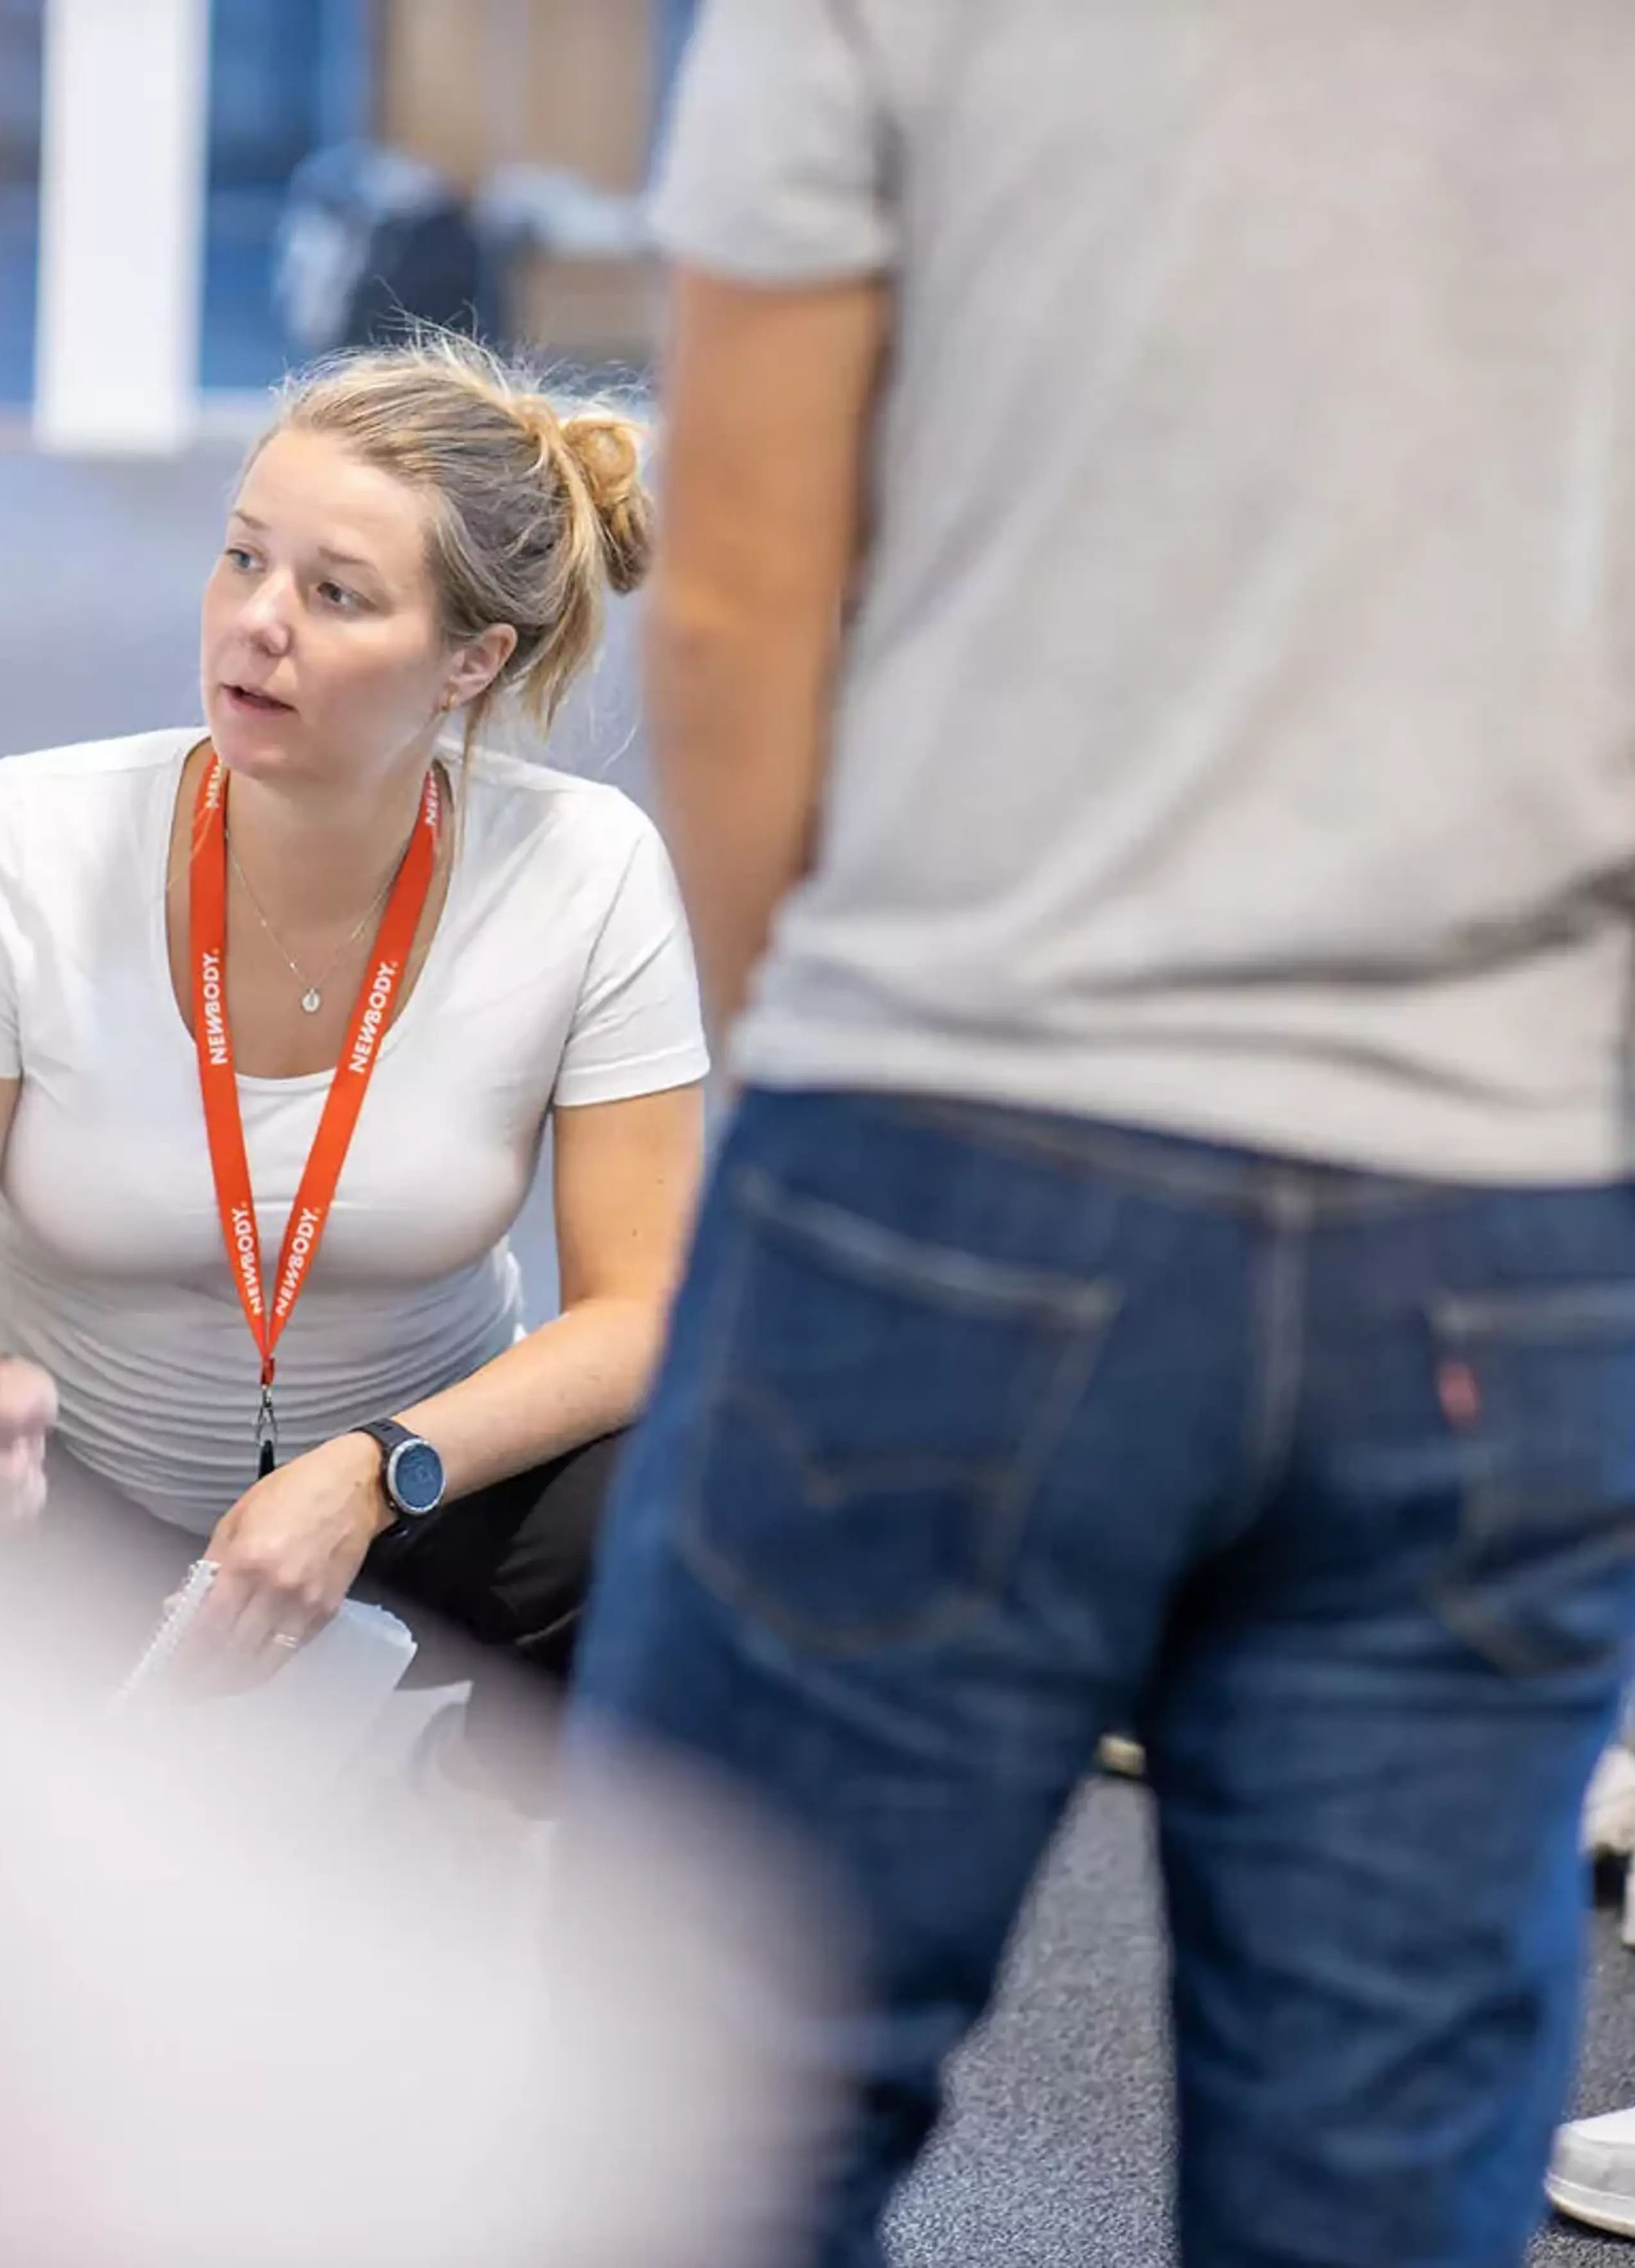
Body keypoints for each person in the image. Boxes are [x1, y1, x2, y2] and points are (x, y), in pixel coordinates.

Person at [569, 2, 1635, 2264]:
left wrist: (814, 1074)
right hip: (1505, 1198)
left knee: (701, 2127)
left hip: (952, 1115)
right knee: (1382, 2195)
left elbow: (743, 595)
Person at [0, 338, 707, 1794]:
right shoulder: (16, 840)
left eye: (335, 593)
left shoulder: (585, 871)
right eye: (241, 560)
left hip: (417, 1492)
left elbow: (640, 1314)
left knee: (689, 1528)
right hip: (65, 1485)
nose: (256, 623)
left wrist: (371, 1472)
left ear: (471, 661)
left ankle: (472, 1815)